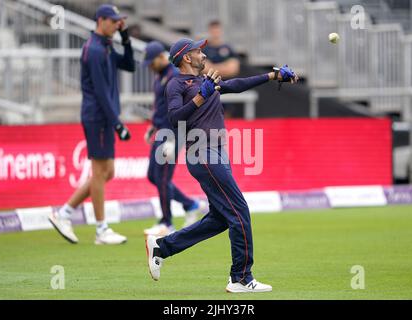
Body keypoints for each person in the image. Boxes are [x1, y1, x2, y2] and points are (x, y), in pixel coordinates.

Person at [145, 38, 298, 293]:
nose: (203, 54)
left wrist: (272, 76)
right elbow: (174, 118)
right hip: (202, 153)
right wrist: (200, 98)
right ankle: (240, 277)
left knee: (219, 219)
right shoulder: (175, 84)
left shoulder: (207, 82)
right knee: (239, 212)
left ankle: (163, 247)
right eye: (198, 51)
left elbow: (236, 85)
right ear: (186, 58)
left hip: (216, 153)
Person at [49, 4, 135, 245]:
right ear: (101, 21)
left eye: (120, 22)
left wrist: (125, 38)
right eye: (114, 21)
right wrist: (117, 123)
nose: (117, 25)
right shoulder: (94, 50)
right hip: (98, 117)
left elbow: (130, 65)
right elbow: (99, 91)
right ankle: (101, 230)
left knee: (108, 172)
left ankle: (64, 213)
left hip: (104, 117)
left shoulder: (106, 46)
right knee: (99, 172)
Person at [142, 41, 205, 237]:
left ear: (161, 57)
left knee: (162, 177)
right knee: (153, 175)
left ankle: (167, 223)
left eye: (152, 62)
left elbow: (180, 108)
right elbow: (160, 105)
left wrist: (173, 139)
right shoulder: (160, 76)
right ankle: (190, 204)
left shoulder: (175, 75)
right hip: (161, 130)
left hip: (173, 132)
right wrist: (153, 125)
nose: (151, 67)